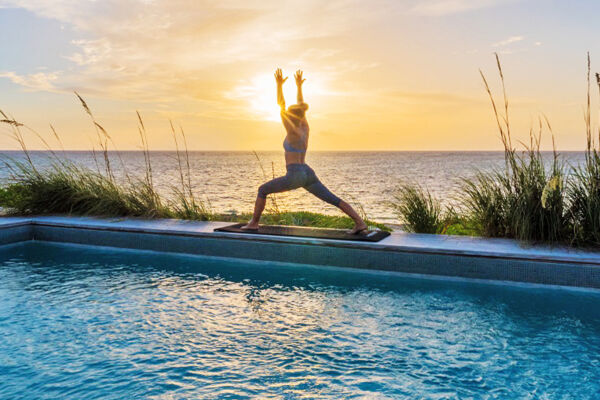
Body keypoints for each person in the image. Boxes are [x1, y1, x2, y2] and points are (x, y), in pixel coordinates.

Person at [242, 68, 368, 234]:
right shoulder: (305, 128)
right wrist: (299, 86)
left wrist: (279, 85)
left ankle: (254, 223)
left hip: (295, 174)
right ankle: (359, 222)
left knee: (262, 190)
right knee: (332, 199)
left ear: (291, 117)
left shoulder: (292, 131)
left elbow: (281, 105)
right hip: (308, 172)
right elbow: (301, 106)